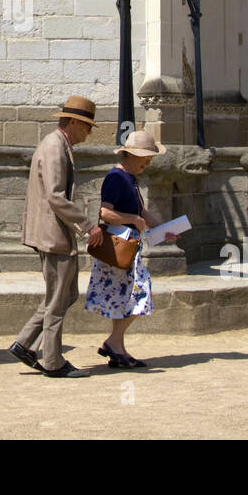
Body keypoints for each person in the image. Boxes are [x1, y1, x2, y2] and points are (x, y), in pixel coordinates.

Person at [9, 95, 101, 379]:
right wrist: (88, 225)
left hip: (52, 233)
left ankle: (25, 343)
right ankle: (52, 360)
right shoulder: (54, 146)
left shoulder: (58, 144)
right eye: (86, 126)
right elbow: (56, 197)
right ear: (73, 122)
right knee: (59, 298)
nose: (88, 132)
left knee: (62, 294)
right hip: (52, 234)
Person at [85, 130, 178, 368]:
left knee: (123, 299)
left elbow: (142, 212)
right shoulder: (116, 177)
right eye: (146, 157)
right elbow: (105, 213)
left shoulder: (130, 178)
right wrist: (133, 220)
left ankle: (117, 347)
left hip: (128, 247)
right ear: (132, 155)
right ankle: (113, 343)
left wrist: (164, 230)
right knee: (141, 292)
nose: (148, 162)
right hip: (119, 248)